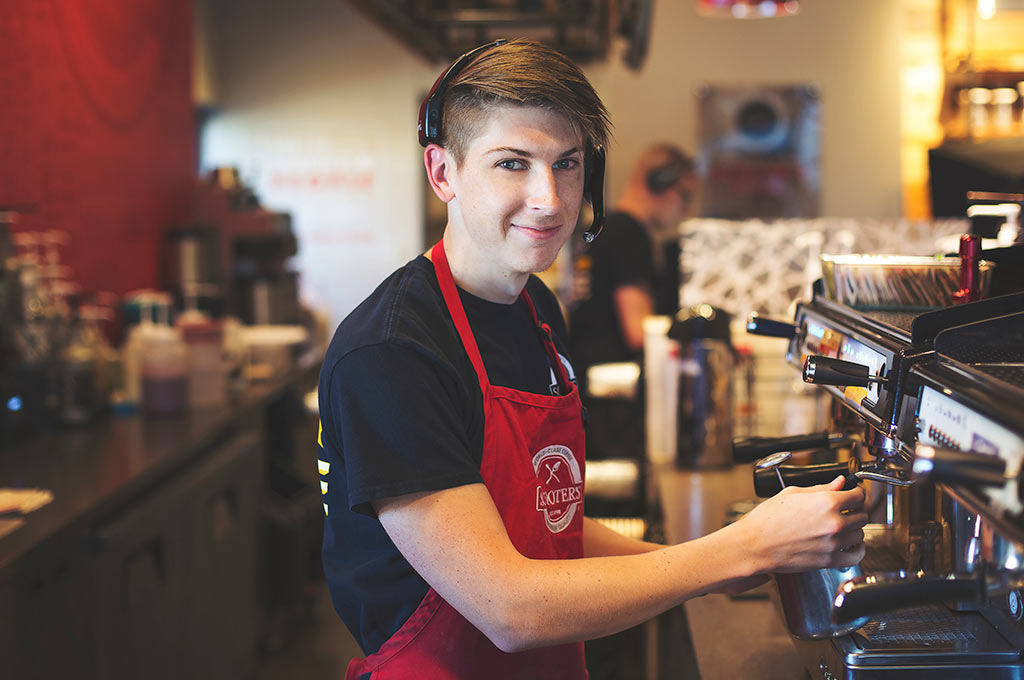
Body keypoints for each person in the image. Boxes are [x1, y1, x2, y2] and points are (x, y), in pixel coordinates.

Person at [317, 38, 867, 680]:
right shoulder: (394, 352)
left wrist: (713, 568)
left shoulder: (538, 312)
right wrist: (739, 551)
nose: (550, 198)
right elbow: (509, 608)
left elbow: (556, 532)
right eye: (512, 164)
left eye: (568, 163)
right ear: (443, 173)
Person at [568, 144, 698, 459]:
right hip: (614, 396)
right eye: (685, 197)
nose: (685, 210)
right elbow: (639, 330)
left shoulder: (601, 228)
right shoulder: (629, 234)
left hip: (586, 384)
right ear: (659, 183)